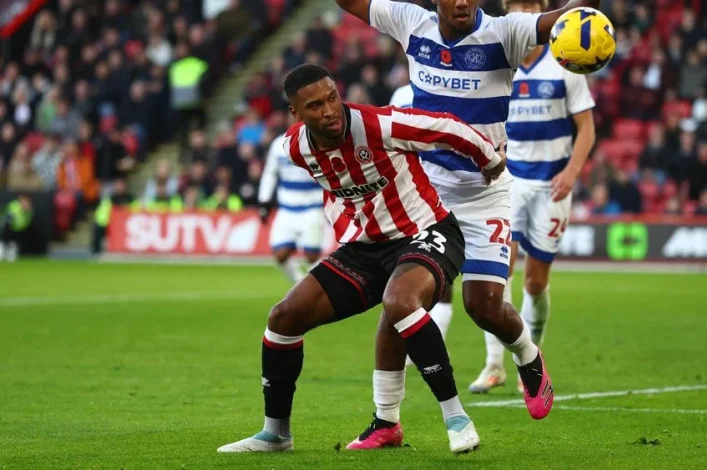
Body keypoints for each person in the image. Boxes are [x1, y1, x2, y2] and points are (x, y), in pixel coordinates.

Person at [335, 0, 600, 448]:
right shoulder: (411, 23)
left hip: (485, 194)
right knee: (398, 301)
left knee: (483, 306)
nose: (462, 1)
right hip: (426, 197)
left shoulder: (506, 33)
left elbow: (566, 17)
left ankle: (528, 357)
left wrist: (585, 10)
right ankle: (385, 421)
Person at [217, 64, 506, 454]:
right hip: (367, 249)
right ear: (296, 113)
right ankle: (276, 433)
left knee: (400, 302)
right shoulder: (295, 148)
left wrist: (490, 160)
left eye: (332, 98)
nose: (329, 111)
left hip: (428, 231)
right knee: (283, 317)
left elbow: (446, 127)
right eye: (315, 106)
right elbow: (334, 184)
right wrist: (345, 224)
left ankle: (456, 417)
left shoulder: (379, 125)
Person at [469, 0, 595, 394]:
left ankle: (532, 360)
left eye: (531, 8)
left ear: (542, 13)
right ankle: (494, 365)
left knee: (536, 283)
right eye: (516, 9)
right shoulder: (497, 64)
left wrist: (572, 171)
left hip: (552, 185)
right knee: (497, 272)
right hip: (509, 183)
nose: (524, 15)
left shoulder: (565, 63)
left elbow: (587, 128)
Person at [258, 133, 325, 284]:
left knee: (311, 256)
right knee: (280, 254)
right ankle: (299, 283)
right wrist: (264, 200)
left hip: (312, 207)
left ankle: (318, 288)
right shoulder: (278, 144)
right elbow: (270, 173)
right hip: (286, 208)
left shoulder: (317, 141)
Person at [0, 195, 33, 262]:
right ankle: (2, 251)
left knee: (16, 241)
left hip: (18, 229)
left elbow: (26, 223)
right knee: (5, 234)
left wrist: (27, 212)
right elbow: (7, 219)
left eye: (27, 202)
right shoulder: (14, 206)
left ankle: (11, 254)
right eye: (24, 202)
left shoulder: (29, 211)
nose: (25, 204)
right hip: (8, 226)